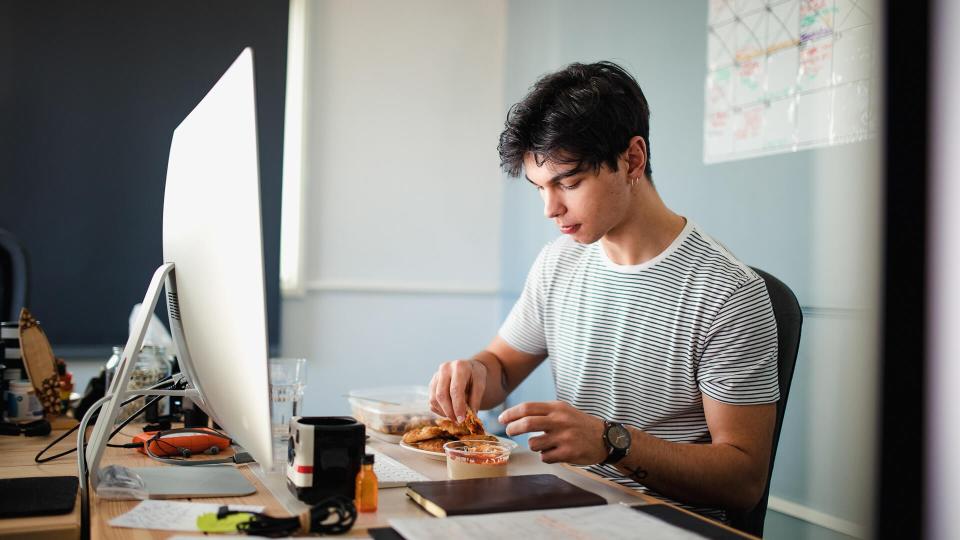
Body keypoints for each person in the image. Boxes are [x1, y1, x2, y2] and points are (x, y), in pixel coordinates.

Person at [427, 61, 779, 521]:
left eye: (568, 183)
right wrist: (472, 372)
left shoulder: (728, 292)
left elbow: (743, 481)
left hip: (665, 523)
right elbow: (500, 371)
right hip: (567, 510)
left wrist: (613, 443)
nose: (551, 209)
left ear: (632, 159)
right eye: (540, 188)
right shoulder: (559, 262)